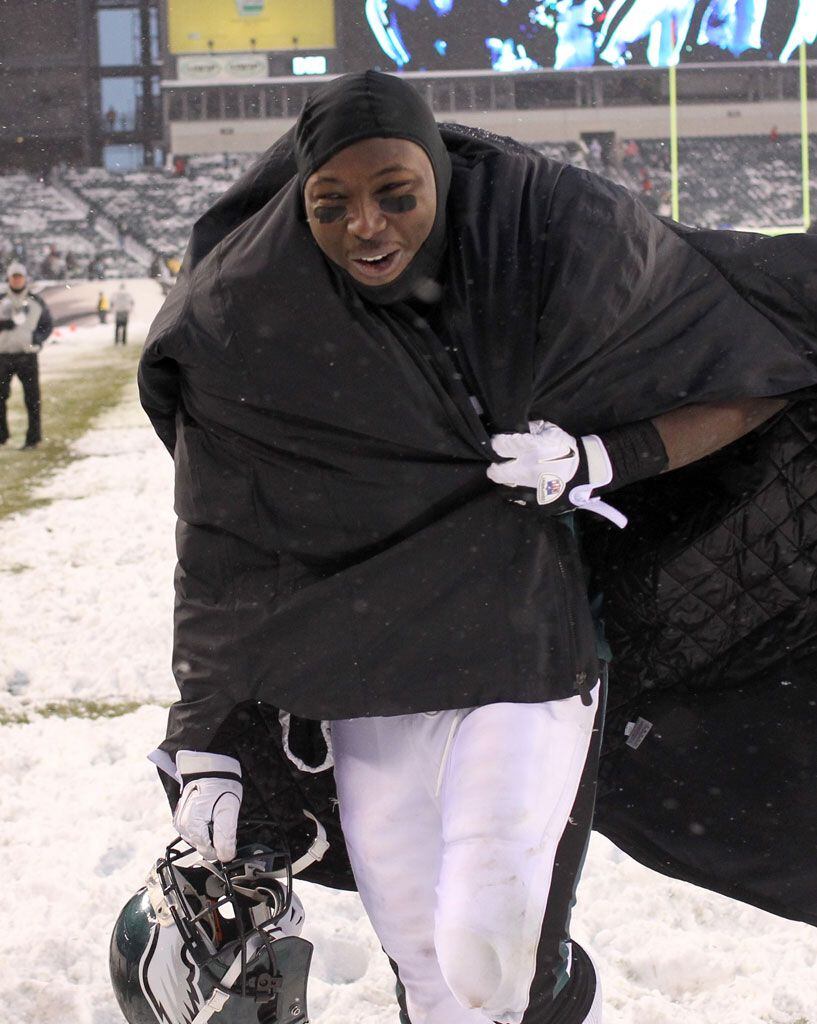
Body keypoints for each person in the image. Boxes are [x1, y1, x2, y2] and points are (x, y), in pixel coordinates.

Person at [137, 72, 817, 1024]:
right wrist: (205, 732)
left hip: (521, 656)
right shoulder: (256, 319)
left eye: (395, 194)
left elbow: (757, 367)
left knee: (488, 952)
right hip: (365, 681)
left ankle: (546, 985)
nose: (364, 225)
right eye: (331, 204)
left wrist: (598, 455)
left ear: (440, 182)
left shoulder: (537, 254)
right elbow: (222, 546)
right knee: (431, 974)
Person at [0, 262, 53, 449]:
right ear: (9, 278)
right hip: (3, 356)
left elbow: (47, 324)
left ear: (24, 278)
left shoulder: (35, 301)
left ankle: (33, 438)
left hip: (27, 356)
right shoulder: (1, 300)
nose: (16, 280)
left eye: (19, 276)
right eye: (13, 277)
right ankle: (2, 435)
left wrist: (37, 338)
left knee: (32, 399)